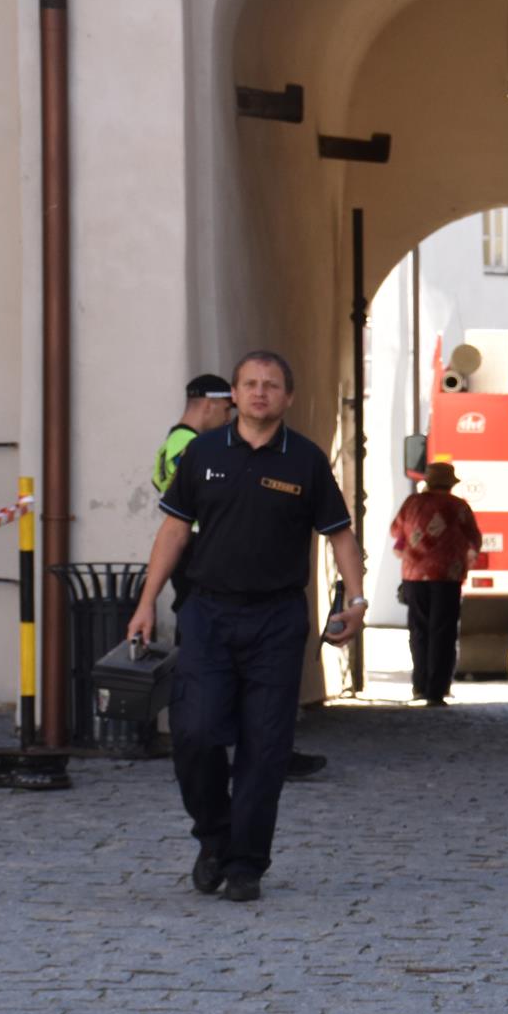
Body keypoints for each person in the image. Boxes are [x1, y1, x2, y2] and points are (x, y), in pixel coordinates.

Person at [126, 350, 365, 903]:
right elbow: (173, 532)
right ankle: (213, 836)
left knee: (266, 745)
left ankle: (246, 864)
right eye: (250, 384)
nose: (260, 392)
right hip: (207, 612)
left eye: (271, 385)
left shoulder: (304, 460)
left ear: (288, 397)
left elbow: (340, 534)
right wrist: (146, 603)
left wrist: (355, 599)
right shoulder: (203, 453)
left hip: (278, 619)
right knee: (196, 732)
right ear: (233, 394)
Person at [152, 372, 328, 781]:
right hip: (206, 558)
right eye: (230, 404)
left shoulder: (171, 444)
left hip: (203, 557)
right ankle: (246, 745)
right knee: (211, 663)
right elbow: (192, 511)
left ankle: (259, 744)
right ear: (213, 403)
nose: (233, 414)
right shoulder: (193, 448)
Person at [388, 456, 482, 706]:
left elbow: (396, 532)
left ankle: (419, 686)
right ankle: (437, 690)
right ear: (450, 484)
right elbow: (475, 539)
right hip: (447, 577)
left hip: (414, 575)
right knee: (443, 631)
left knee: (419, 630)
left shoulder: (412, 503)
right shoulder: (458, 506)